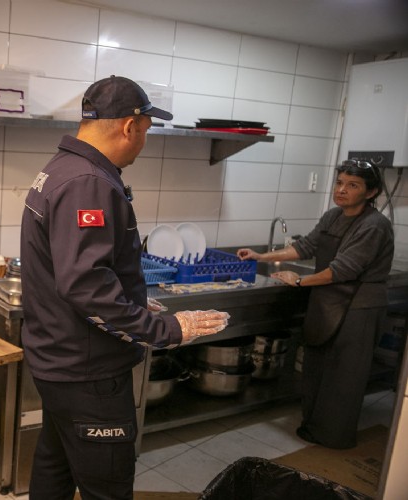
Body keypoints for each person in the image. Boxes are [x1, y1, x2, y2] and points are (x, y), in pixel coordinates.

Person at [20, 75, 231, 500]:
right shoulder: (89, 182)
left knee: (55, 465)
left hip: (57, 361)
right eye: (147, 131)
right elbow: (85, 287)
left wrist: (135, 302)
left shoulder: (61, 168)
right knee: (108, 485)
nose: (143, 141)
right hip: (89, 373)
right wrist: (168, 330)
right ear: (130, 126)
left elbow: (84, 270)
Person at [237, 159, 393, 449]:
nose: (342, 190)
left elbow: (343, 269)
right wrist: (261, 257)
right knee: (318, 369)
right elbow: (306, 247)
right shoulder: (333, 216)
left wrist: (298, 282)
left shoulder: (374, 226)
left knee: (344, 375)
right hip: (330, 302)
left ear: (370, 193)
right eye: (340, 182)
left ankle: (334, 437)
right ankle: (314, 427)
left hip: (359, 308)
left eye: (352, 185)